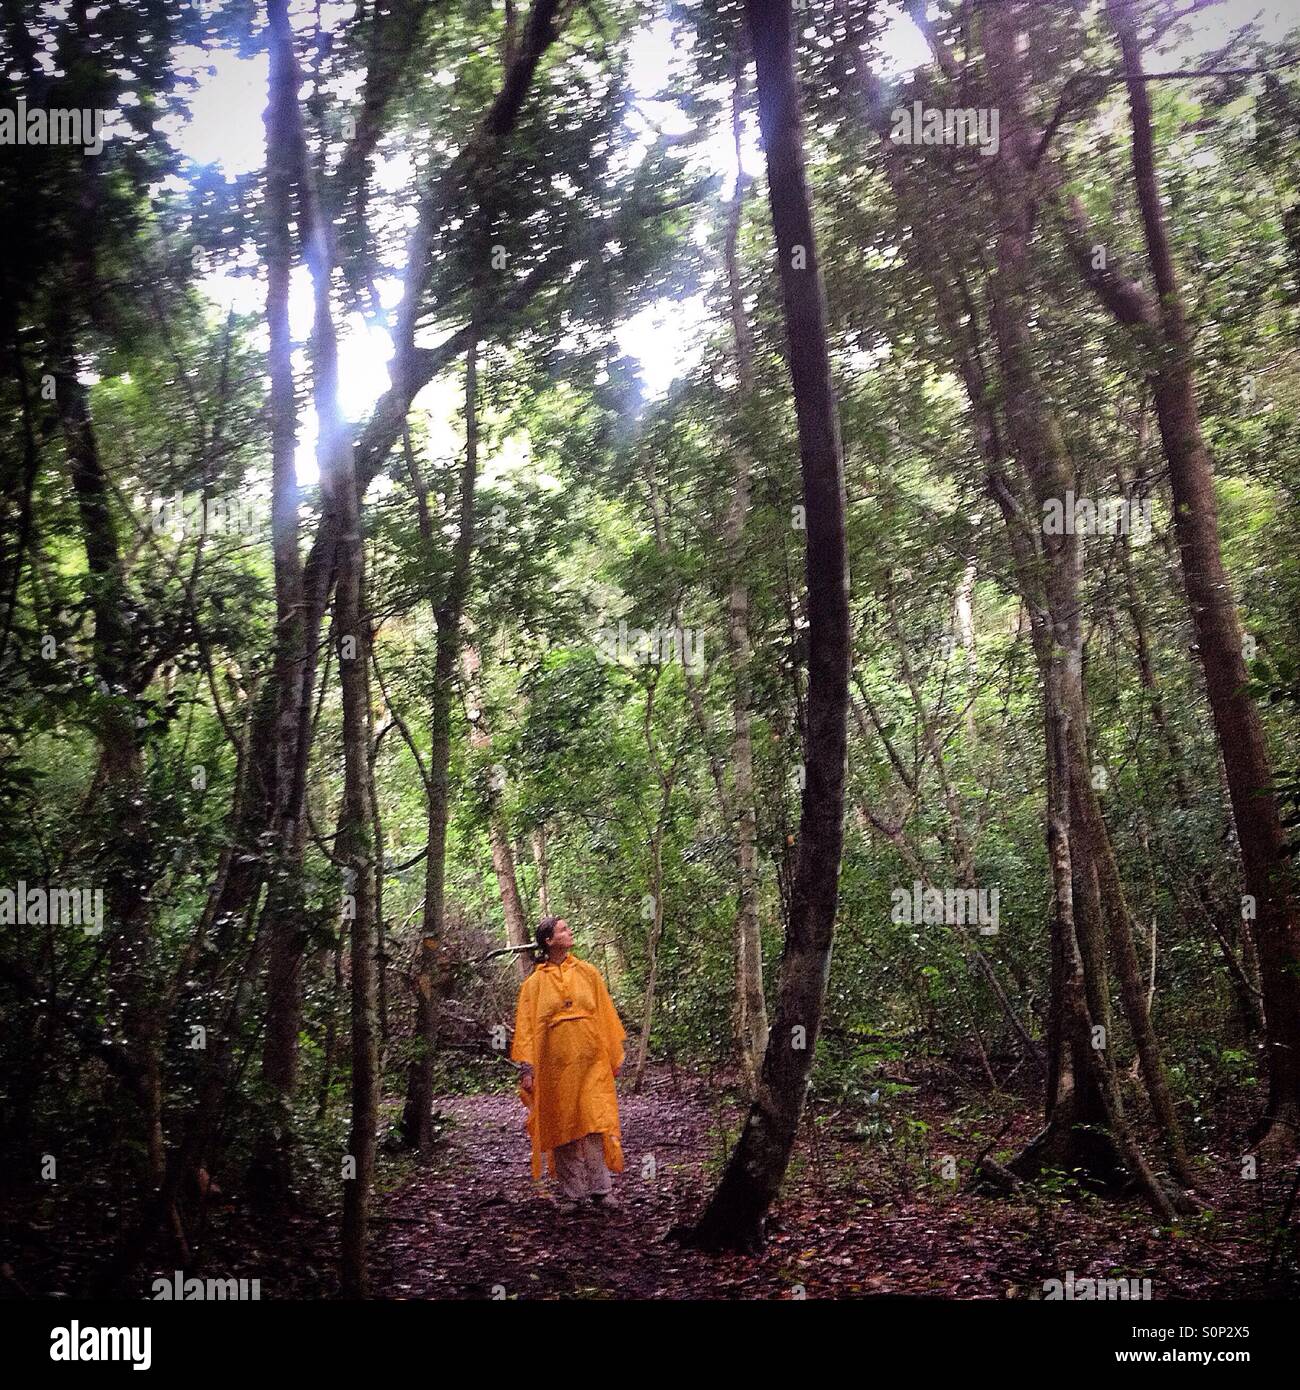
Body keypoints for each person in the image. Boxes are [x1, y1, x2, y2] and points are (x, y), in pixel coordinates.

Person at [511, 916, 626, 1213]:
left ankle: (601, 1190)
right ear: (548, 941)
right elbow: (526, 1027)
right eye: (563, 929)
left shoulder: (588, 973)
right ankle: (572, 1194)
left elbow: (605, 1014)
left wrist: (612, 1056)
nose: (569, 931)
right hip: (555, 1068)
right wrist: (527, 1068)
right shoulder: (534, 984)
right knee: (563, 1127)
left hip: (591, 1064)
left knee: (593, 1122)